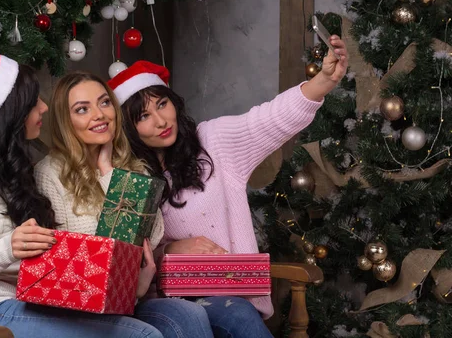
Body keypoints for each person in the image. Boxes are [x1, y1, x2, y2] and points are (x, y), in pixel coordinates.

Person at [109, 36, 349, 338]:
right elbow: (119, 255)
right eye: (144, 116)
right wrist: (169, 251)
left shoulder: (213, 143)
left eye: (162, 104)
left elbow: (270, 118)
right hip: (158, 303)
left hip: (231, 293)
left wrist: (323, 82)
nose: (160, 121)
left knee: (238, 315)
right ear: (129, 128)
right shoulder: (126, 175)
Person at [0, 55, 163, 338]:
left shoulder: (12, 172)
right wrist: (6, 249)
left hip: (25, 303)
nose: (44, 107)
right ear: (13, 112)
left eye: (104, 102)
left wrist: (131, 290)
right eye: (34, 102)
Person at [35, 71, 217, 338]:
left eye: (104, 102)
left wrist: (108, 170)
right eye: (83, 109)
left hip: (129, 299)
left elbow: (147, 238)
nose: (99, 114)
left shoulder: (136, 169)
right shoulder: (50, 173)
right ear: (66, 121)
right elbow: (88, 260)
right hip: (78, 308)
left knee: (190, 314)